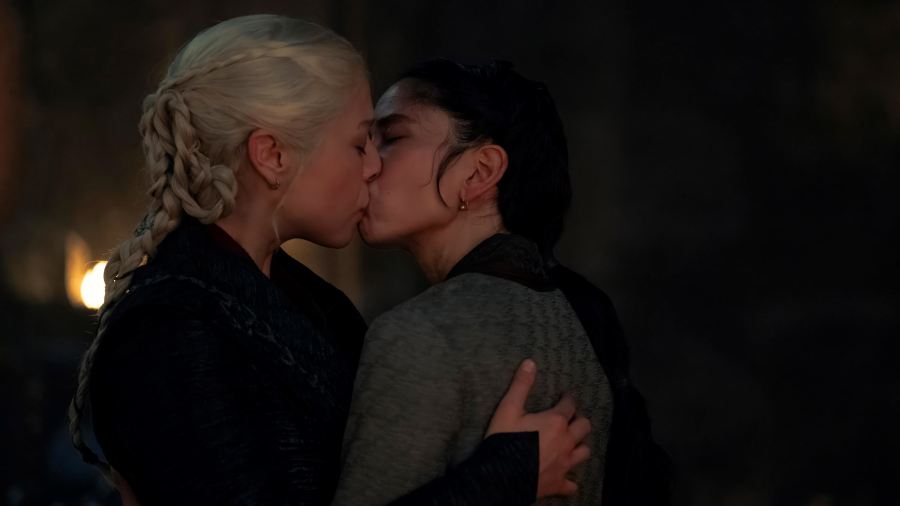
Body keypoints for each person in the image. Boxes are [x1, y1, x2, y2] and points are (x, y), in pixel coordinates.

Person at [68, 16, 592, 505]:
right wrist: (502, 476)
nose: (374, 167)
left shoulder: (311, 303)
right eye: (360, 143)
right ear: (272, 156)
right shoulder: (170, 334)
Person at [335, 59, 670, 505]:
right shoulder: (584, 314)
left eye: (392, 138)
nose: (367, 164)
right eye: (365, 142)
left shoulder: (421, 333)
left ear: (480, 172)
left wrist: (498, 477)